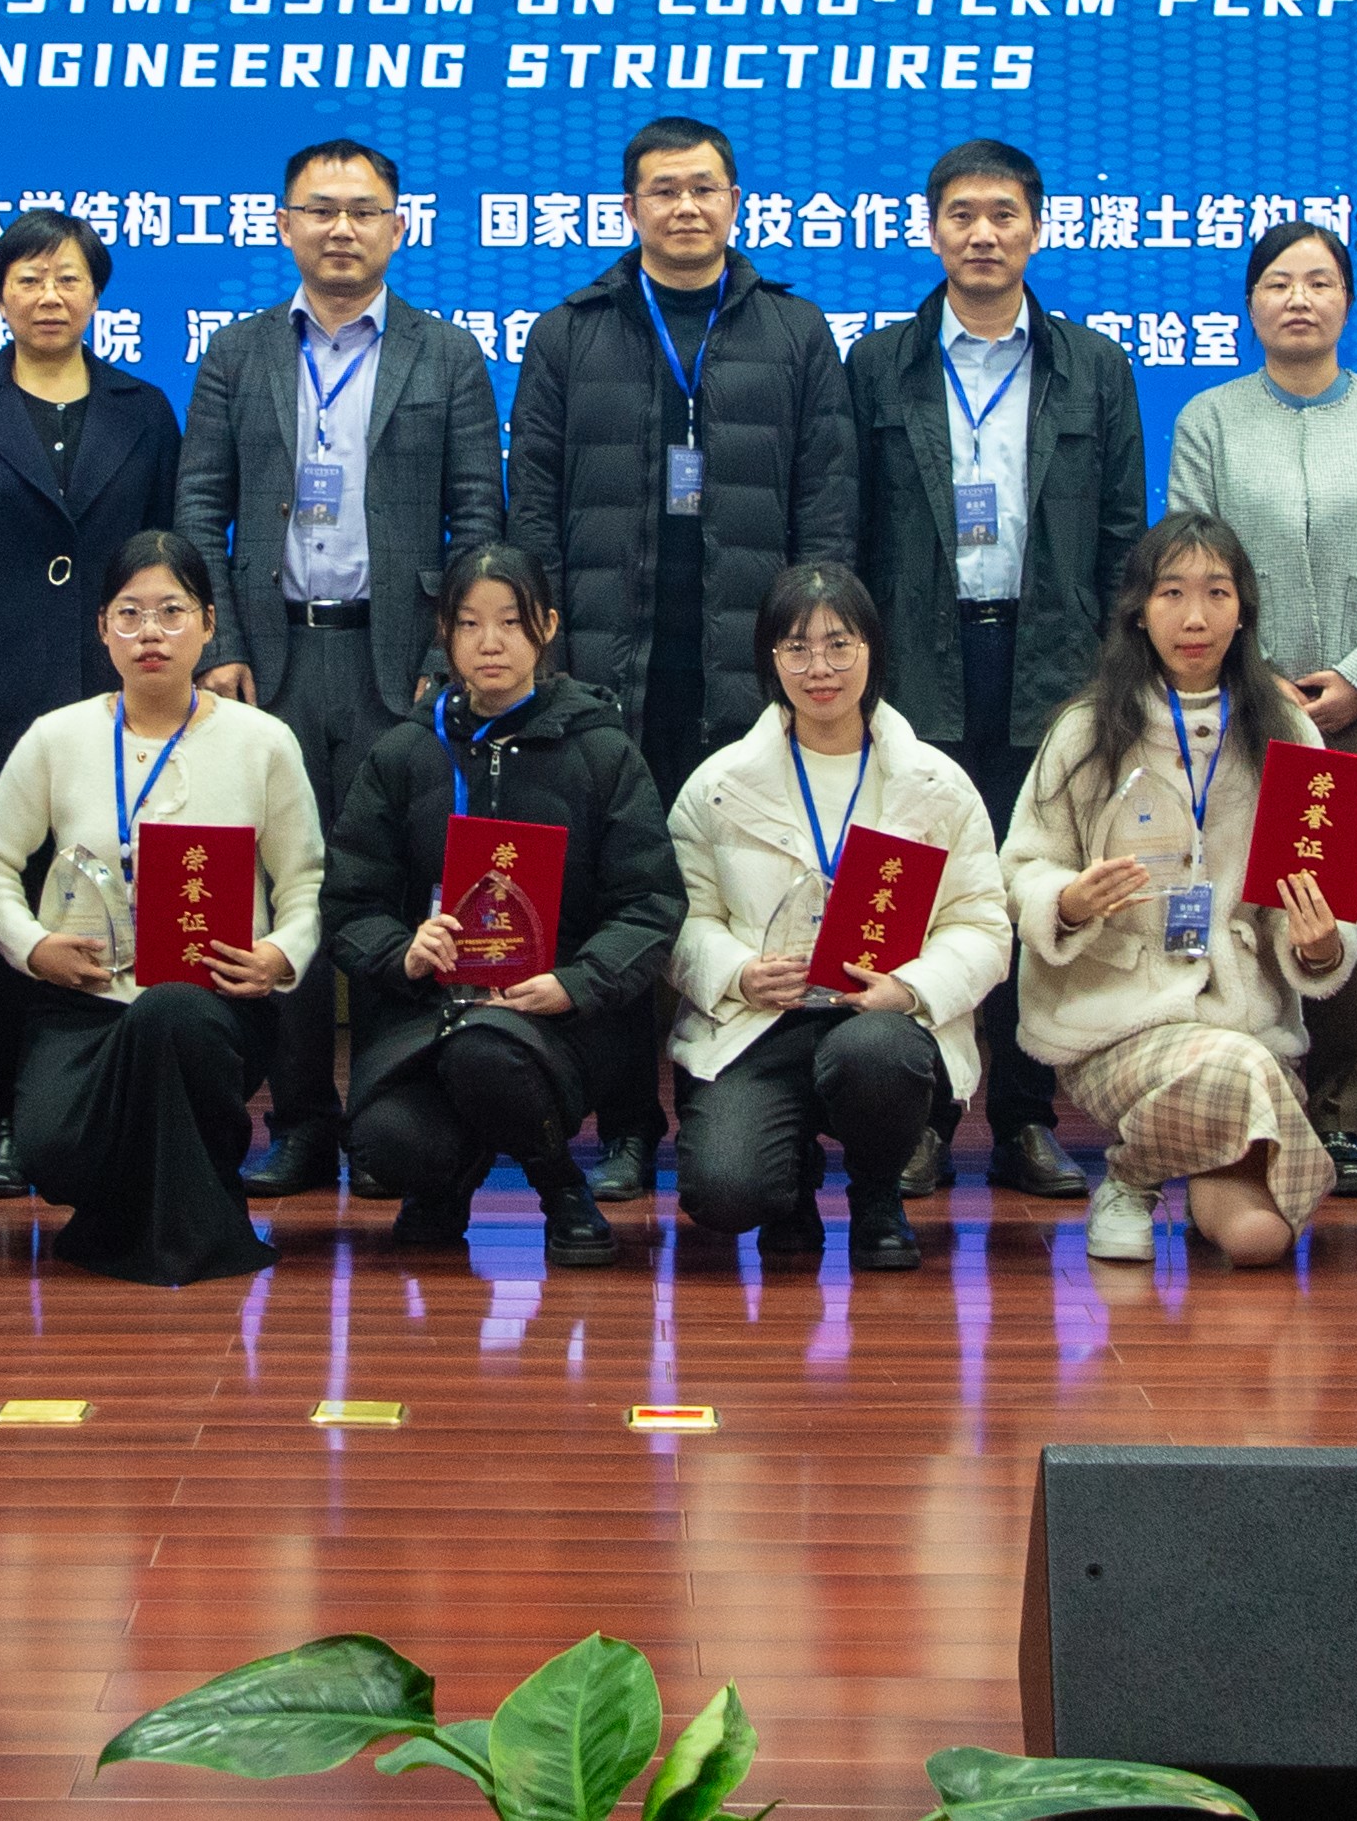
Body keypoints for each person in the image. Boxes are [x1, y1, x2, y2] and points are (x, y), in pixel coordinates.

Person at [510, 115, 861, 1200]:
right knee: (619, 902)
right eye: (664, 190)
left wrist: (808, 657)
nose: (686, 207)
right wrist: (545, 655)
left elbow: (828, 506)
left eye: (705, 188)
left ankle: (755, 1107)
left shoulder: (794, 330)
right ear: (630, 208)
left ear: (735, 201)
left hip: (747, 677)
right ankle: (625, 1124)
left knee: (753, 896)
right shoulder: (569, 333)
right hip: (607, 675)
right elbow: (533, 507)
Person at [178, 136, 507, 1202]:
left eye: (363, 210)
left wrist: (442, 653)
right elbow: (200, 510)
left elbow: (478, 517)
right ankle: (301, 1123)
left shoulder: (446, 353)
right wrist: (222, 646)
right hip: (269, 662)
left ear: (397, 228)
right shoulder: (237, 353)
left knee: (387, 893)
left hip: (395, 664)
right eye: (319, 209)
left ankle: (386, 1113)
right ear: (283, 225)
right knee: (284, 893)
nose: (341, 229)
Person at [843, 137, 1146, 1208]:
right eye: (962, 214)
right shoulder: (878, 365)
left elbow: (1123, 539)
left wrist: (1113, 674)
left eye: (1004, 214)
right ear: (931, 230)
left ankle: (1023, 1118)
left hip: (1049, 658)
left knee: (1029, 890)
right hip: (916, 655)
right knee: (915, 887)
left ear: (1038, 227)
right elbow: (851, 529)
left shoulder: (1094, 367)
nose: (983, 233)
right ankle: (921, 1119)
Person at [0, 209, 185, 1203]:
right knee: (2, 890)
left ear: (97, 294)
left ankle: (116, 1096)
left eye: (67, 278)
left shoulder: (144, 409)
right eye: (27, 278)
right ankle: (7, 1114)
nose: (48, 296)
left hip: (119, 692)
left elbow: (171, 558)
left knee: (123, 876)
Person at [1003, 516, 1357, 1271]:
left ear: (1244, 610)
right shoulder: (1084, 730)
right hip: (1116, 1015)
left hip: (1242, 1013)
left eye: (1216, 593)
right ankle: (1130, 1182)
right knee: (1236, 1066)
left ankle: (1167, 1169)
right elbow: (1021, 868)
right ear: (1139, 609)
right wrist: (1068, 901)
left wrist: (1321, 946)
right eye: (1172, 593)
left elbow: (1317, 906)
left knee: (1259, 1241)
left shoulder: (1290, 732)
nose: (1195, 618)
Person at [0, 533, 324, 1285]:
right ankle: (137, 1203)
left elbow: (305, 881)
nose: (150, 633)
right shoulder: (57, 737)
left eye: (171, 611)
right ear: (102, 627)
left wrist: (280, 955)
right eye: (129, 614)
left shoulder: (265, 742)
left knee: (172, 1014)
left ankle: (194, 1226)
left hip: (215, 1005)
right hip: (86, 1000)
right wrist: (32, 946)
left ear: (208, 623)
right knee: (49, 1149)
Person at [1162, 214, 1357, 1202]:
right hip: (1245, 704)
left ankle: (1339, 1116)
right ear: (1250, 303)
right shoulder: (1210, 419)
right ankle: (1251, 1098)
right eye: (1278, 282)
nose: (1299, 299)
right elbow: (1191, 557)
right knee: (1246, 901)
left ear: (1348, 301)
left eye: (1319, 282)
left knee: (1348, 910)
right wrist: (1256, 674)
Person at [324, 547, 677, 1270]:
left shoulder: (602, 752)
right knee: (387, 1144)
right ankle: (446, 1179)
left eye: (511, 622)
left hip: (559, 1021)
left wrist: (575, 984)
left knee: (487, 1053)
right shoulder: (404, 753)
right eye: (469, 623)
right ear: (444, 634)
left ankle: (562, 1190)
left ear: (547, 627)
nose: (490, 643)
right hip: (429, 1014)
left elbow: (651, 902)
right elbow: (349, 900)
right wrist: (402, 951)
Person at [662, 563, 1014, 1270]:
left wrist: (910, 988)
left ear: (872, 650)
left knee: (878, 1052)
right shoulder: (717, 786)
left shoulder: (939, 784)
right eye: (796, 648)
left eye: (838, 644)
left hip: (879, 1022)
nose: (818, 668)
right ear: (770, 658)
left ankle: (877, 1195)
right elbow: (680, 920)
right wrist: (739, 972)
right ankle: (788, 1181)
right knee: (725, 1193)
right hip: (760, 1023)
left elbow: (982, 924)